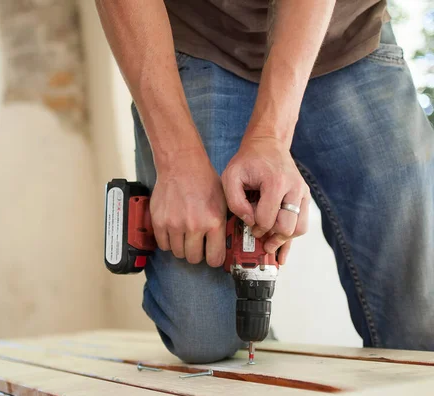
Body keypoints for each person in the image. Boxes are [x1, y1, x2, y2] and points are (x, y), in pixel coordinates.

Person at [95, 0, 434, 363]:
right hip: (203, 36)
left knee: (420, 323)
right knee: (205, 337)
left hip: (346, 37)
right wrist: (177, 162)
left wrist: (269, 138)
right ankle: (261, 349)